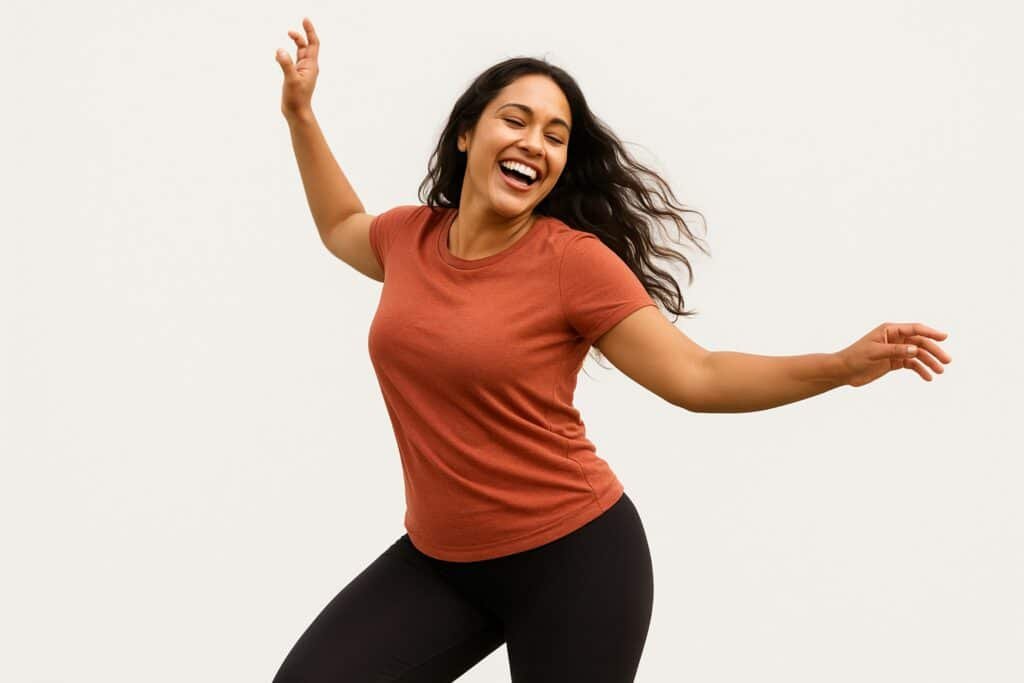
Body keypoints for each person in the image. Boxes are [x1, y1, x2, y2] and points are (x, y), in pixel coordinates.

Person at [271, 17, 952, 683]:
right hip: (440, 561)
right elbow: (340, 224)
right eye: (517, 120)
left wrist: (839, 367)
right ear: (466, 133)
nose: (535, 143)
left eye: (556, 135)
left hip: (573, 559)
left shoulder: (573, 264)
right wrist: (302, 114)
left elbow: (698, 375)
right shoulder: (408, 239)